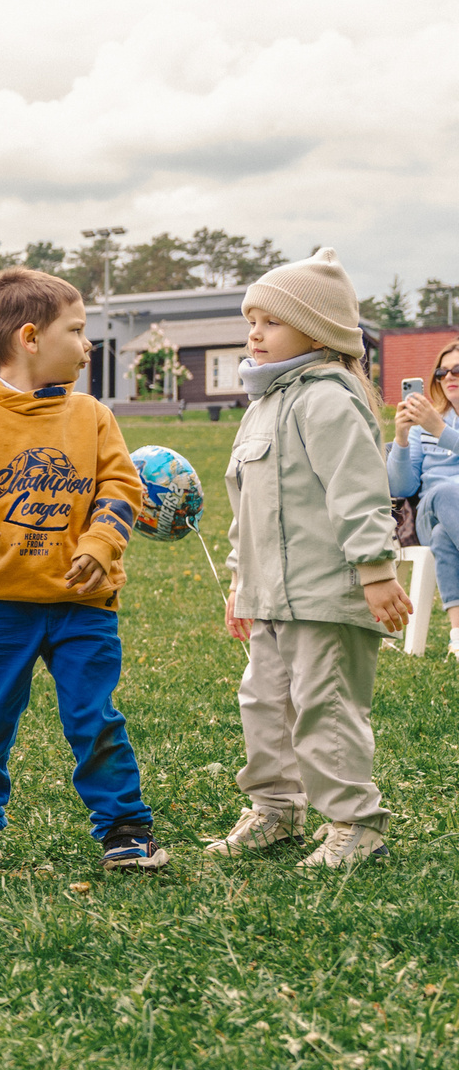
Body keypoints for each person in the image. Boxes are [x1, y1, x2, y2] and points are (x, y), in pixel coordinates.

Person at [0, 267, 165, 873]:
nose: (87, 344)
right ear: (30, 338)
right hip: (2, 604)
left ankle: (125, 828)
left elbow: (121, 486)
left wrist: (102, 543)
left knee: (93, 717)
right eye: (76, 331)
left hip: (85, 603)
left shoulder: (92, 415)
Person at [212, 249, 409, 867]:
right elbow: (246, 507)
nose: (255, 333)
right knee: (265, 705)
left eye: (271, 321)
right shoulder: (263, 405)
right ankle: (276, 809)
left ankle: (357, 824)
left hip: (325, 594)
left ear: (318, 332)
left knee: (326, 709)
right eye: (252, 321)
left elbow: (359, 492)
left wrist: (376, 572)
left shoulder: (328, 400)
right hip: (271, 596)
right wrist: (242, 582)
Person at [387, 336, 459, 658]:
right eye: (442, 372)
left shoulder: (435, 424)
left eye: (457, 370)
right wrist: (402, 438)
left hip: (446, 528)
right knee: (445, 491)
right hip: (431, 510)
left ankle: (457, 636)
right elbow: (401, 487)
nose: (449, 377)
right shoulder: (421, 427)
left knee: (445, 535)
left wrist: (441, 430)